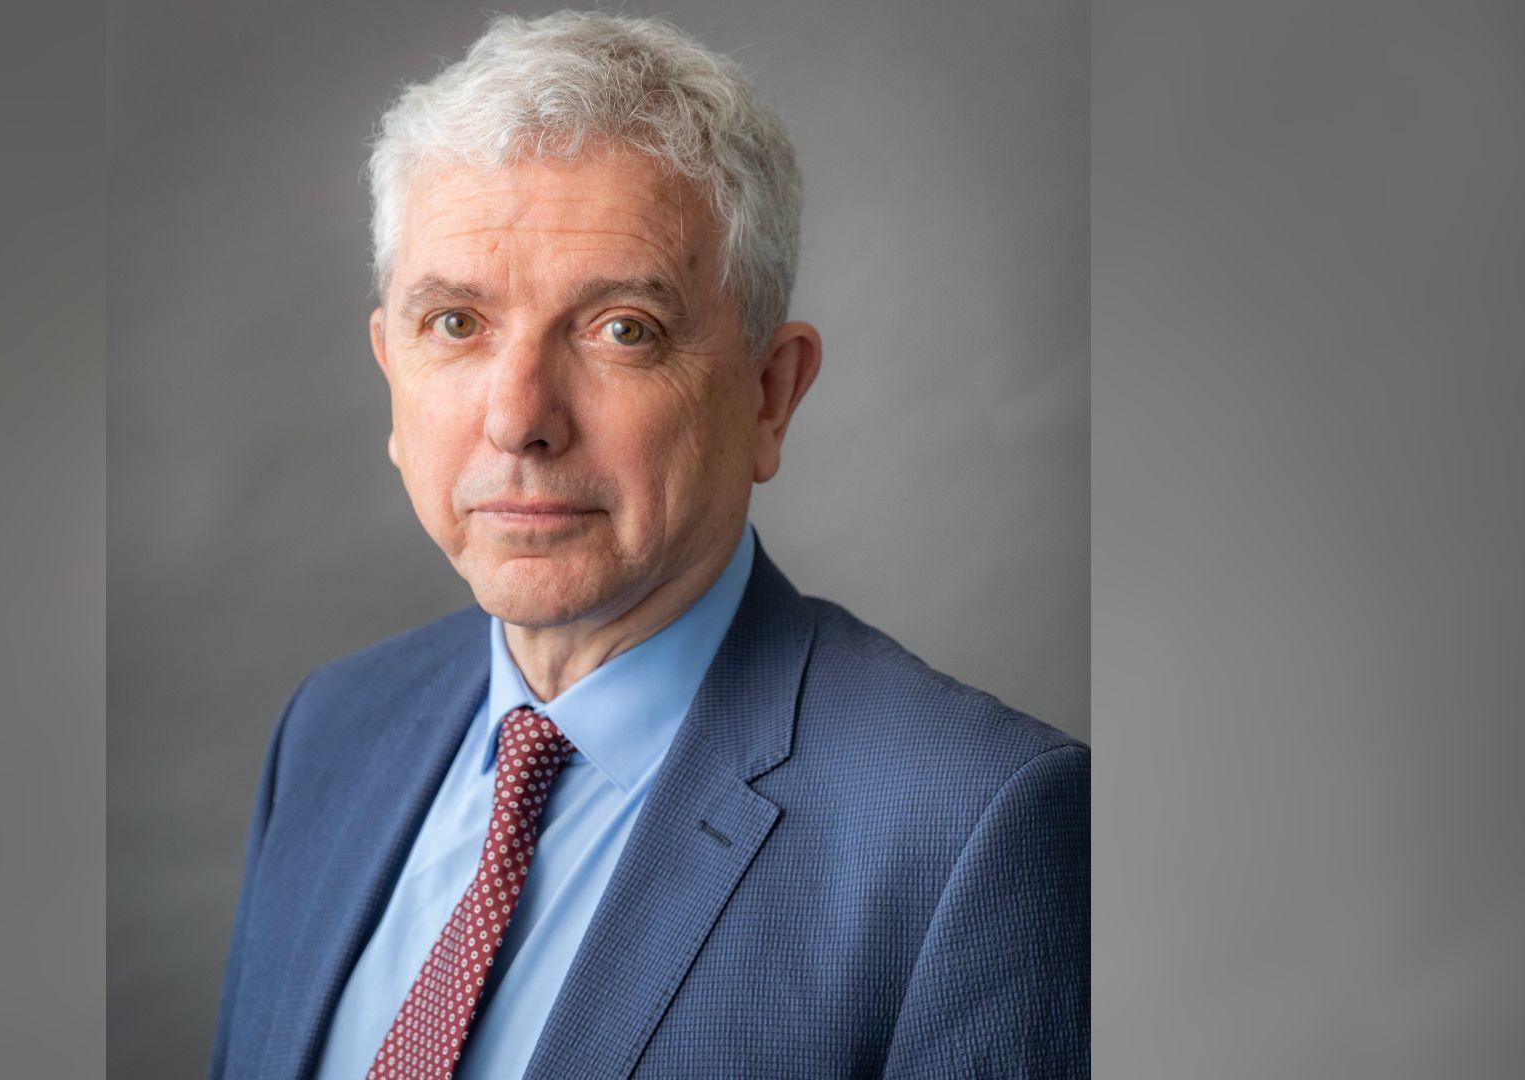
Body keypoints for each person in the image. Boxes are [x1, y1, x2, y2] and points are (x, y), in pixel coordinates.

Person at [209, 11, 1087, 1078]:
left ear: (770, 396)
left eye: (622, 328)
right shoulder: (332, 734)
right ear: (390, 370)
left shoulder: (973, 831)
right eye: (457, 324)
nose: (519, 417)